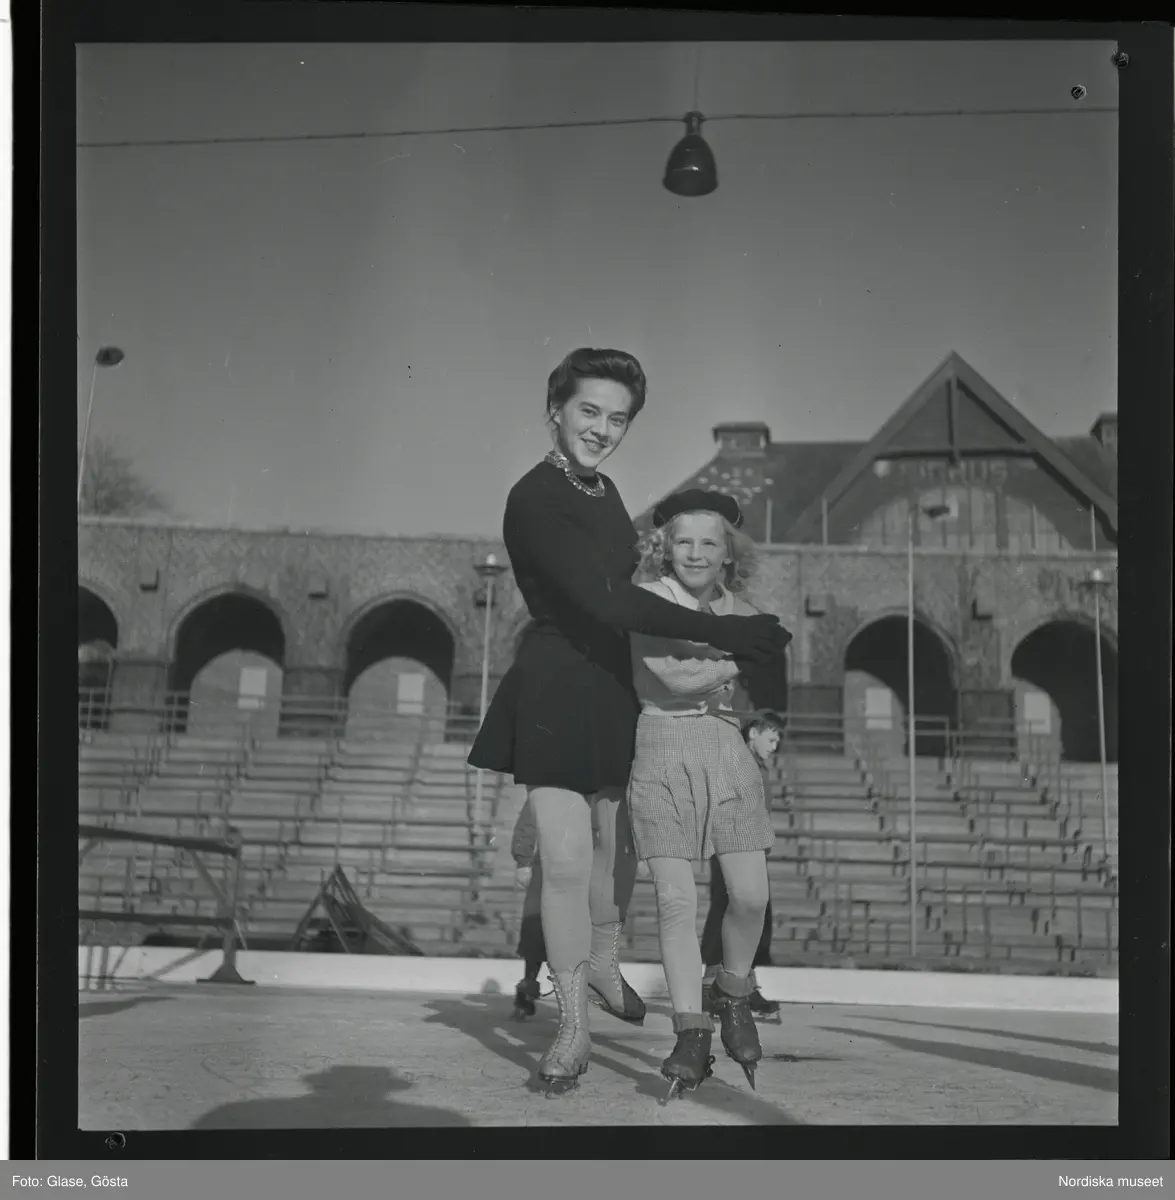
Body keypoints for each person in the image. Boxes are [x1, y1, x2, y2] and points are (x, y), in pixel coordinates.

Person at [468, 348, 790, 1094]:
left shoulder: (606, 490)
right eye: (589, 411)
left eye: (618, 419)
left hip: (617, 686)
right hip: (555, 683)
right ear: (556, 409)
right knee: (564, 860)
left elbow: (638, 588)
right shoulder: (533, 496)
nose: (602, 429)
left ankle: (605, 958)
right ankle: (572, 1026)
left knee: (616, 852)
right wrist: (725, 634)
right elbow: (605, 600)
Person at [626, 489, 790, 1102]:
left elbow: (761, 671)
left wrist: (743, 650)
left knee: (750, 895)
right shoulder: (648, 600)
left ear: (727, 554)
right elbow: (672, 676)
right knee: (676, 901)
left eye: (709, 543)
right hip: (662, 744)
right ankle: (691, 1031)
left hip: (725, 746)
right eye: (684, 541)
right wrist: (741, 653)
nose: (695, 553)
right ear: (665, 548)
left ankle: (733, 991)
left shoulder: (740, 608)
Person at [700, 715, 785, 1022]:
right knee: (729, 908)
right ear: (754, 733)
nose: (774, 747)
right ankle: (713, 984)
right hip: (732, 844)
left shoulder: (758, 767)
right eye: (771, 739)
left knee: (753, 914)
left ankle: (740, 982)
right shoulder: (737, 761)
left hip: (752, 847)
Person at [509, 796, 546, 1020]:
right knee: (536, 926)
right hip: (549, 861)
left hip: (588, 860)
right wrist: (524, 861)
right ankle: (528, 985)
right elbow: (529, 817)